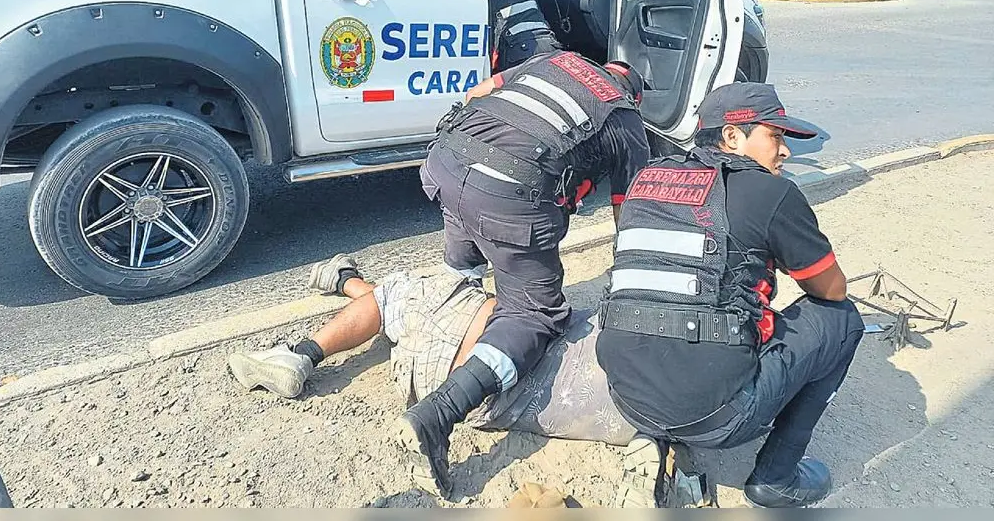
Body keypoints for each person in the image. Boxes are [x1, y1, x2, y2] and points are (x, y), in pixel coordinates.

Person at [595, 82, 865, 508]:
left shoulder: (646, 179)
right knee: (844, 319)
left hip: (628, 400)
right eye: (775, 136)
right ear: (733, 136)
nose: (785, 152)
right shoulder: (770, 193)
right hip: (717, 419)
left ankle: (659, 432)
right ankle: (776, 477)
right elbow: (831, 288)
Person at [229, 254, 663, 506]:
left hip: (473, 352)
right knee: (403, 309)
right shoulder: (657, 406)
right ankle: (347, 282)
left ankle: (304, 353)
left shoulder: (633, 335)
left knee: (400, 297)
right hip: (480, 401)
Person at [409, 49, 650, 498]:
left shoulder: (557, 60)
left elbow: (478, 92)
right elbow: (630, 219)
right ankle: (436, 416)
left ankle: (444, 311)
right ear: (633, 94)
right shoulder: (625, 119)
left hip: (445, 159)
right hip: (506, 191)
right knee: (535, 314)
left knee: (466, 259)